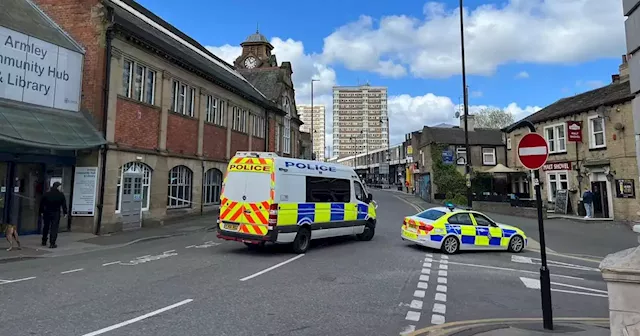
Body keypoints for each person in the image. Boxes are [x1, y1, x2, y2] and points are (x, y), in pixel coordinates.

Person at [39, 182, 68, 248]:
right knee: (54, 228)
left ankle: (44, 240)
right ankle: (52, 243)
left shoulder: (47, 193)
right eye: (60, 187)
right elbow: (64, 204)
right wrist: (65, 212)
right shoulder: (60, 195)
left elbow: (42, 203)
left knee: (46, 226)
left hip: (47, 212)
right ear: (57, 187)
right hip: (56, 213)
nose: (61, 188)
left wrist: (41, 211)